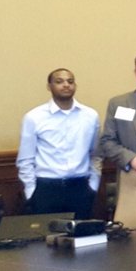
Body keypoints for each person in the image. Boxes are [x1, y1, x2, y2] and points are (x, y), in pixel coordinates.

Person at [17, 68, 102, 219]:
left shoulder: (90, 116)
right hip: (46, 189)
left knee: (81, 240)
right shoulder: (34, 117)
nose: (66, 85)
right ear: (49, 86)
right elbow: (25, 160)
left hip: (80, 188)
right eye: (59, 81)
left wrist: (93, 185)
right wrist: (31, 192)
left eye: (70, 81)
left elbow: (96, 154)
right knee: (46, 240)